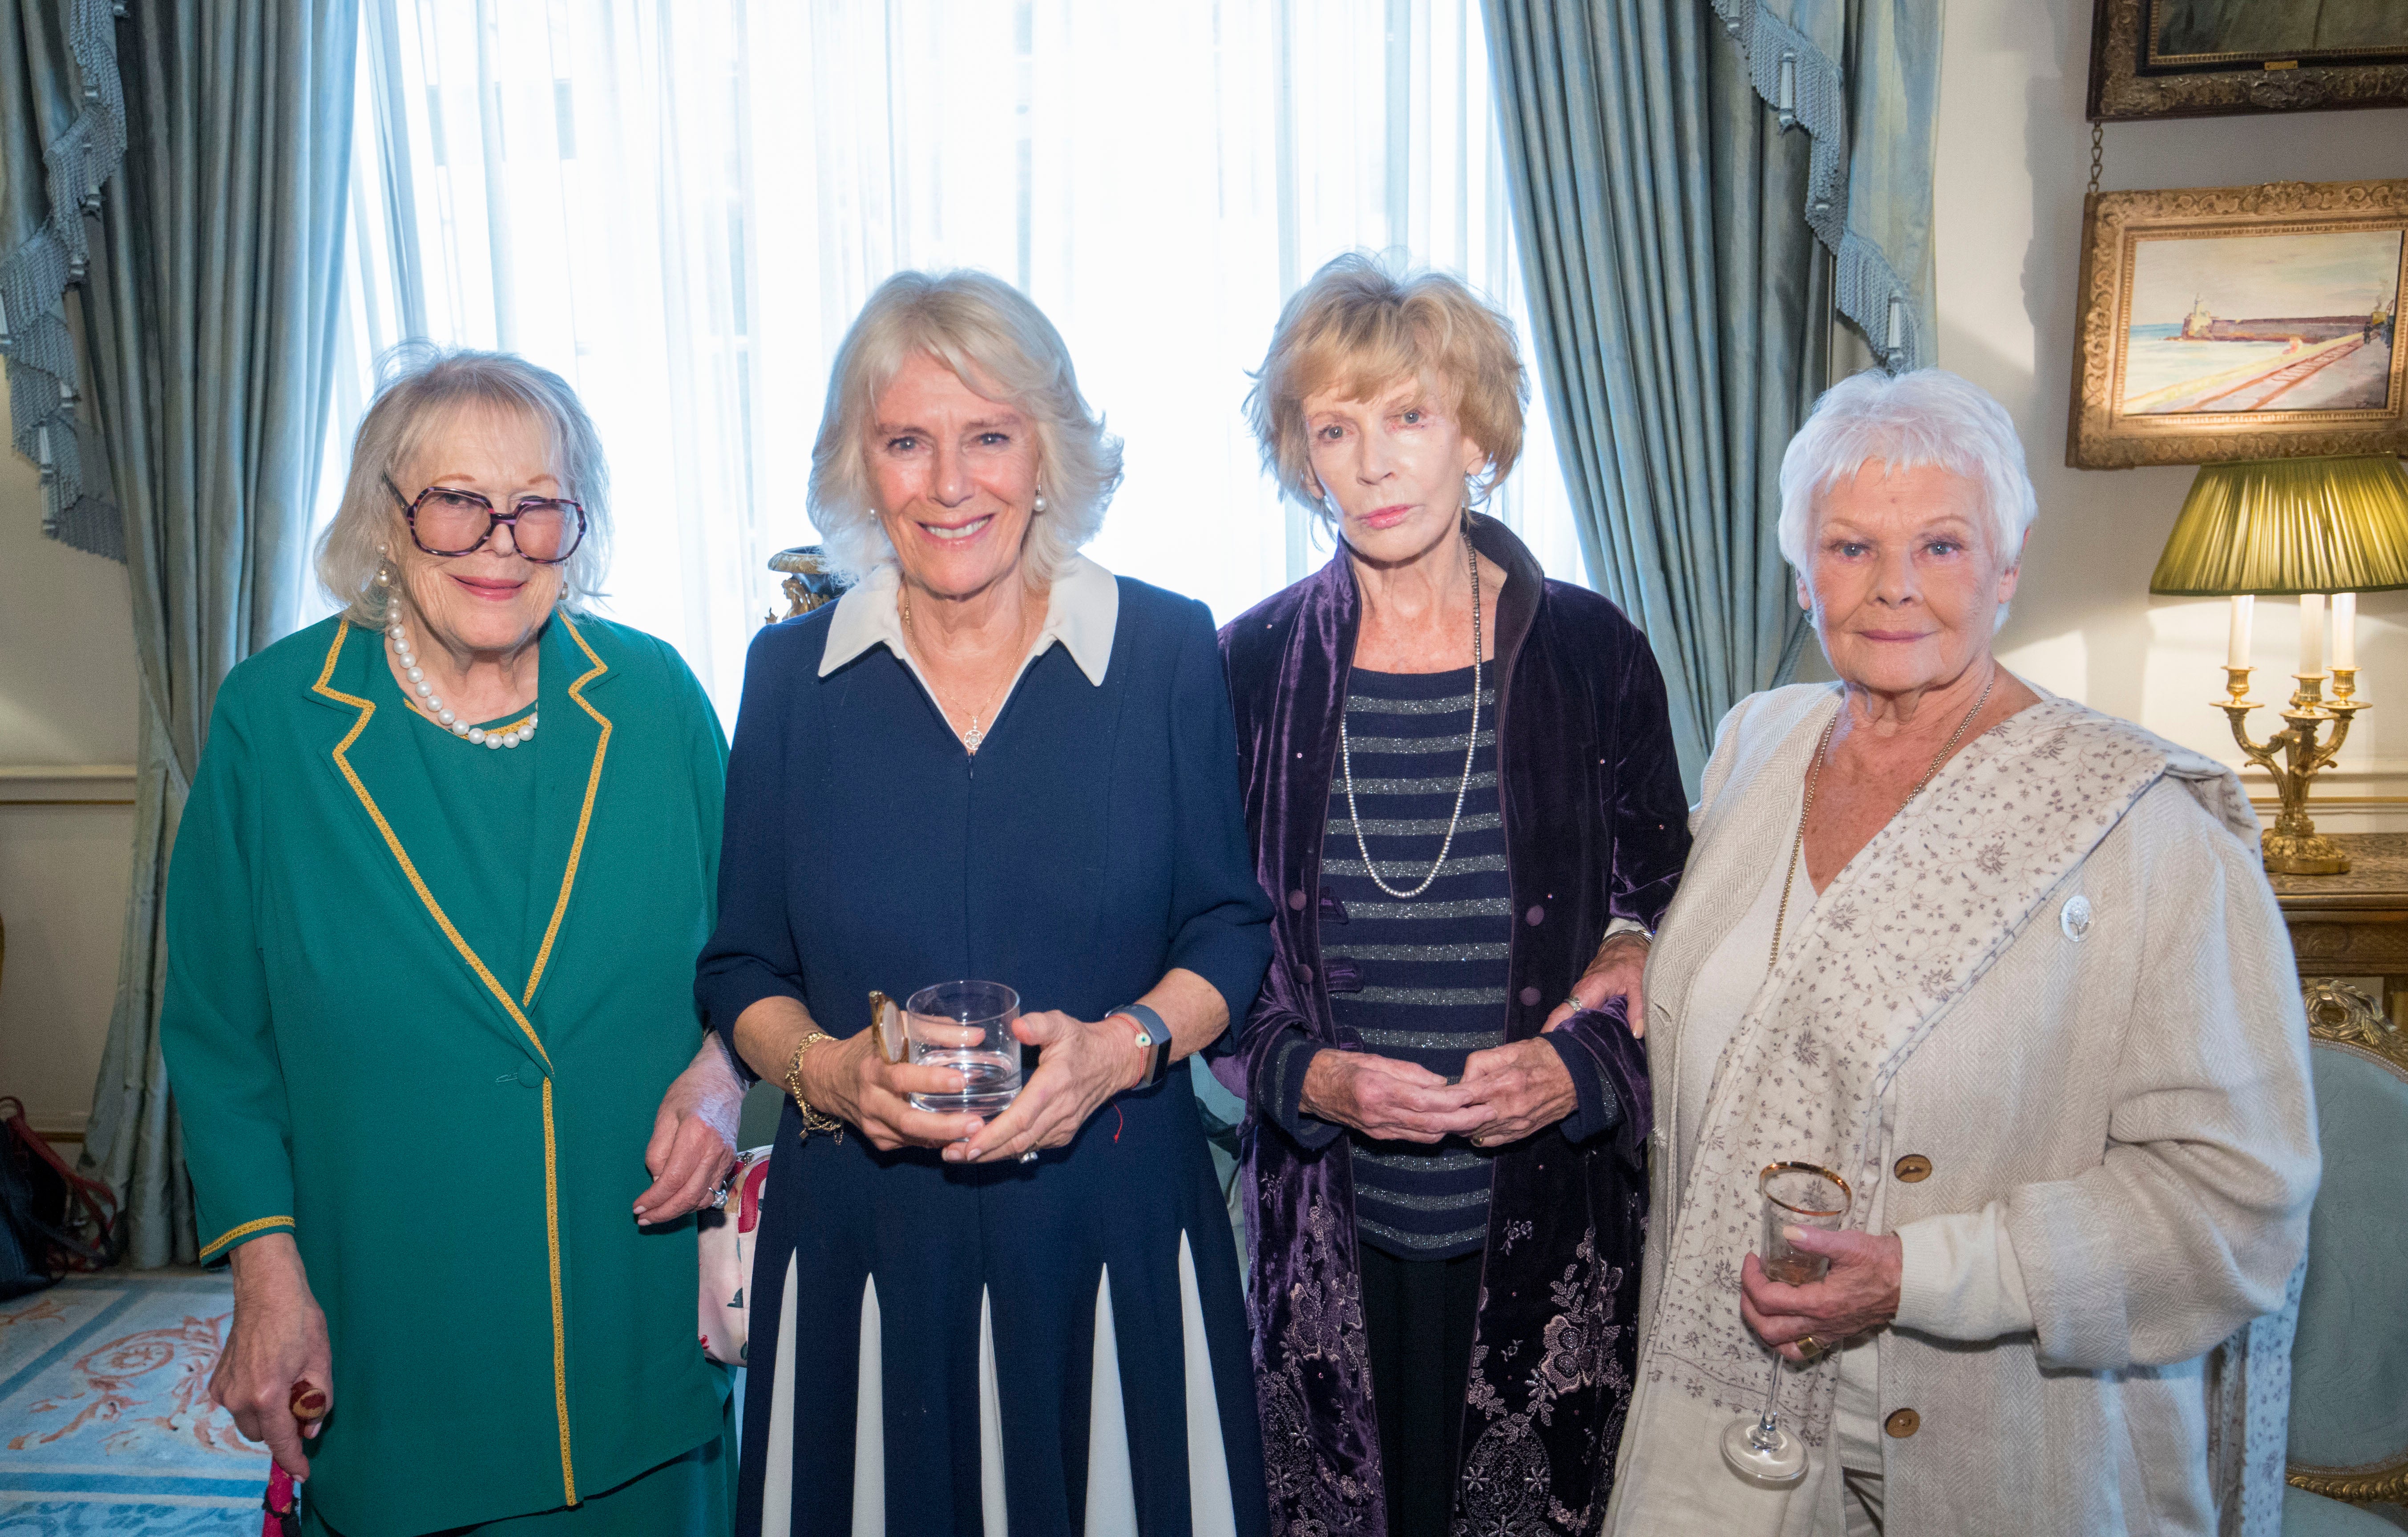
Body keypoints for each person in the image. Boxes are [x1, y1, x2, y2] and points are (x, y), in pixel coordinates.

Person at [1604, 368, 2320, 1537]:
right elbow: (1740, 978)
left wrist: (1917, 1274)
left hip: (1998, 1454)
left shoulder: (2144, 832)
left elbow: (2231, 1207)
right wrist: (1628, 943)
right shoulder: (1755, 747)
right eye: (1848, 547)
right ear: (1799, 571)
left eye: (1940, 546)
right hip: (1729, 1445)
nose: (1892, 587)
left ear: (2006, 563)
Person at [695, 269, 1275, 1537]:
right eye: (907, 441)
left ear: (1049, 452)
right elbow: (739, 968)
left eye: (989, 437)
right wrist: (829, 1074)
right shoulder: (790, 676)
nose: (949, 483)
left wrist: (1122, 1050)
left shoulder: (1167, 649)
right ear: (862, 465)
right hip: (860, 1231)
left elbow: (1227, 930)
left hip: (1111, 1221)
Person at [162, 348, 746, 1535]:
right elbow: (219, 1037)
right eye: (456, 500)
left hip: (629, 1324)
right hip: (397, 1327)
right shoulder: (276, 720)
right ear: (386, 519)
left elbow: (755, 957)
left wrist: (724, 1067)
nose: (500, 540)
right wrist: (265, 1274)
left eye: (538, 505)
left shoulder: (654, 699)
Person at [1217, 253, 1689, 1537]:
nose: (1372, 464)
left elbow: (1672, 901)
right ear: (1303, 457)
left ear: (1474, 435)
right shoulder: (1246, 667)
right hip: (1328, 1230)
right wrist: (1302, 1077)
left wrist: (1586, 1064)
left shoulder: (1594, 652)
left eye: (1408, 418)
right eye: (1335, 428)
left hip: (1546, 1230)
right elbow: (1203, 946)